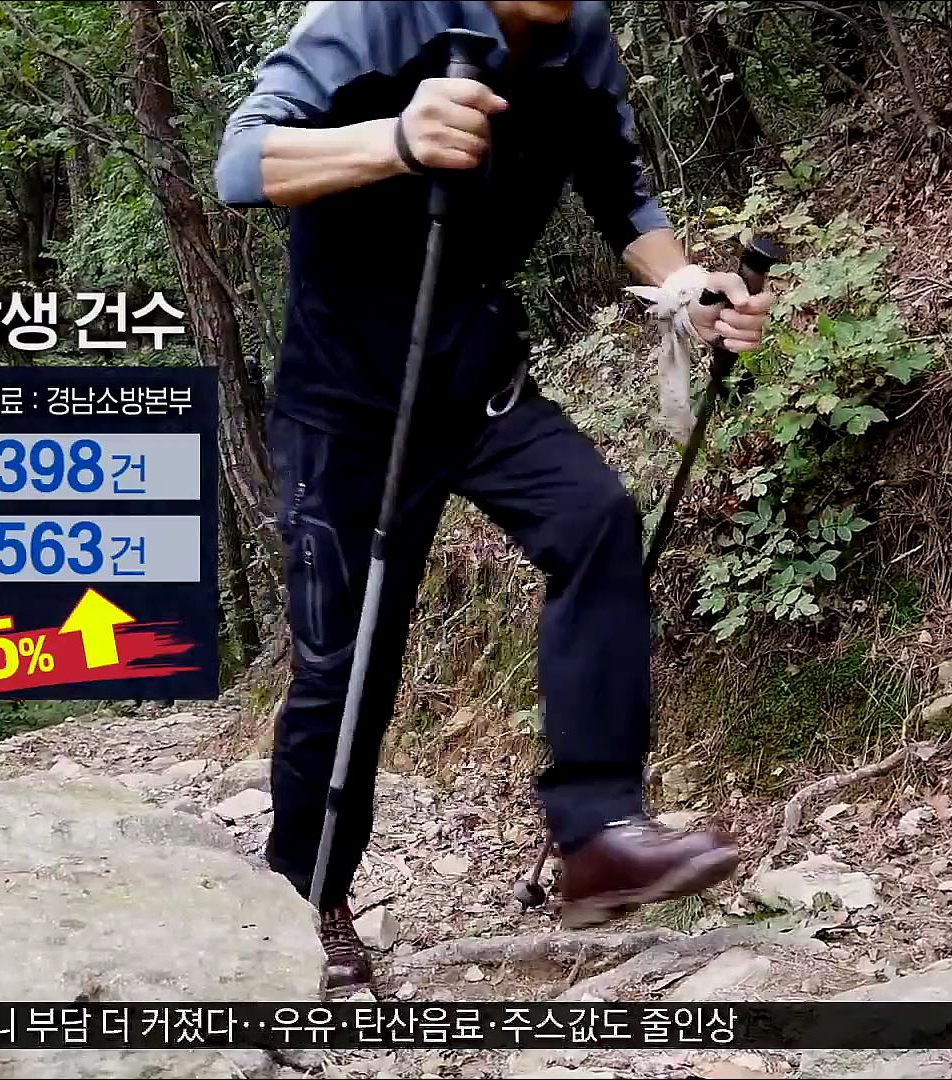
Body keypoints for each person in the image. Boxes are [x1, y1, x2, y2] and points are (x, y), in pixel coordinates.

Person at [214, 0, 775, 992]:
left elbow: (621, 194)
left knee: (594, 520)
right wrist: (396, 140)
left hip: (475, 378)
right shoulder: (375, 16)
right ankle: (306, 898)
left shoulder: (578, 38)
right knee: (348, 664)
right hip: (345, 405)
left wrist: (687, 289)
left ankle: (598, 834)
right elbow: (241, 162)